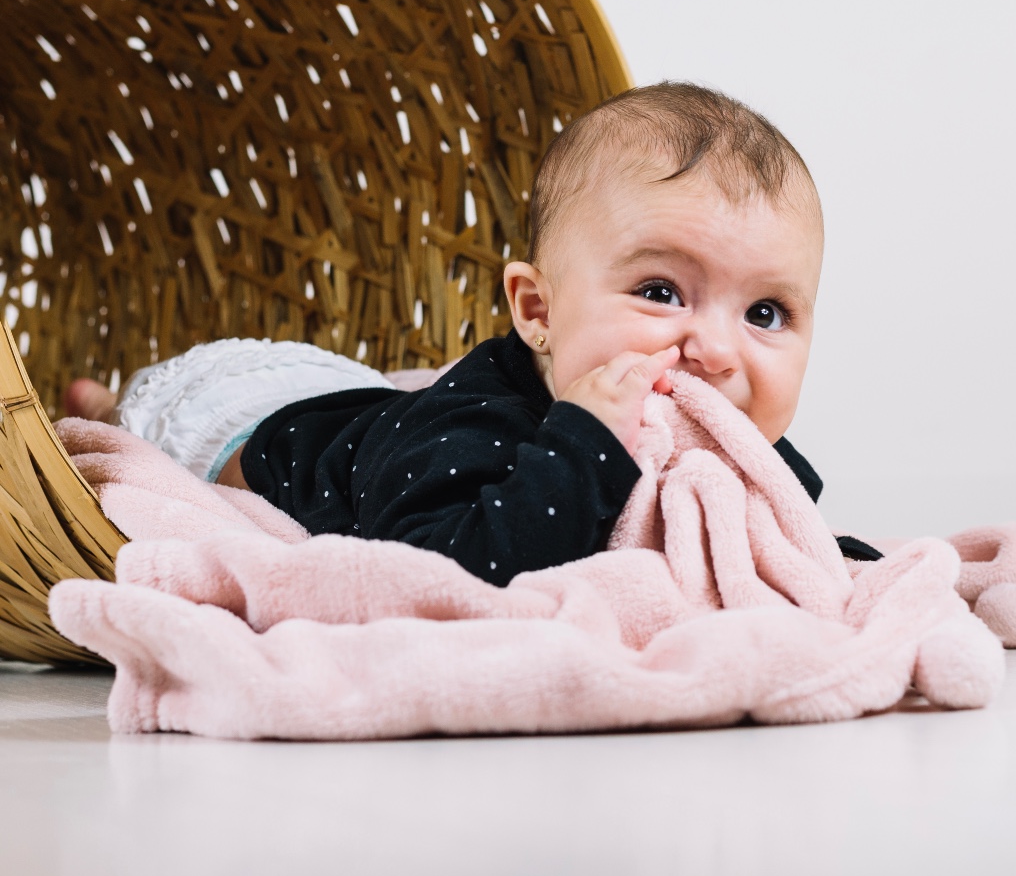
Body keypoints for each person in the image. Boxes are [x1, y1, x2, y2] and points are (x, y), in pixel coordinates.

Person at [65, 82, 880, 583]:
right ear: (538, 312)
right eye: (662, 291)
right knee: (131, 425)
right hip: (242, 414)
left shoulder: (732, 436)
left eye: (765, 313)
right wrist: (585, 445)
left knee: (380, 403)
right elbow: (454, 569)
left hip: (368, 405)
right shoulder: (477, 429)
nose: (717, 349)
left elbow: (783, 537)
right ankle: (106, 398)